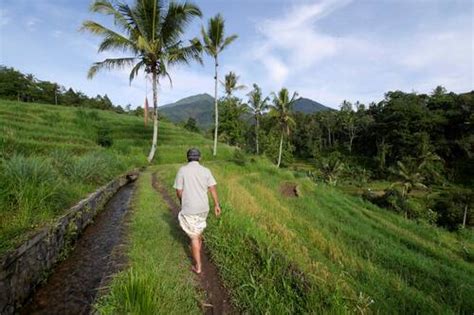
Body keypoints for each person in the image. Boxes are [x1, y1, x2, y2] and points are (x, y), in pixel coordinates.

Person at [173, 148, 221, 274]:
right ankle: (197, 247)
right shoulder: (206, 171)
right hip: (203, 208)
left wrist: (182, 201)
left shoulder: (182, 170)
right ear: (199, 158)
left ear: (187, 157)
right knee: (198, 230)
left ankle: (198, 266)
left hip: (190, 208)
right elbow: (212, 189)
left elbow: (178, 191)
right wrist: (217, 205)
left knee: (193, 237)